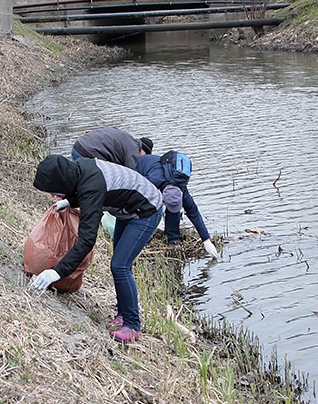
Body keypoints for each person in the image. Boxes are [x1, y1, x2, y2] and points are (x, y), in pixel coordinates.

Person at [31, 154, 163, 343]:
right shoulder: (79, 169)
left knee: (120, 266)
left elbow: (86, 241)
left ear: (61, 182)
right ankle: (123, 314)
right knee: (121, 265)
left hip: (146, 210)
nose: (52, 195)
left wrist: (57, 272)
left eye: (53, 191)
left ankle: (133, 326)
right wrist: (70, 201)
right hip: (127, 210)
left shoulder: (92, 187)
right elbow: (86, 191)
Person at [136, 154, 219, 259]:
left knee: (173, 211)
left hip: (163, 174)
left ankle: (173, 239)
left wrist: (206, 240)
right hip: (144, 166)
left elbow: (193, 212)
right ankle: (143, 233)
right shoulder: (149, 182)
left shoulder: (182, 191)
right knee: (146, 209)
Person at [71, 127, 153, 169]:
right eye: (145, 155)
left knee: (85, 178)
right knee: (103, 178)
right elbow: (133, 172)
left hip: (77, 147)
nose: (143, 159)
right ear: (143, 149)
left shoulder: (126, 138)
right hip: (88, 152)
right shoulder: (133, 149)